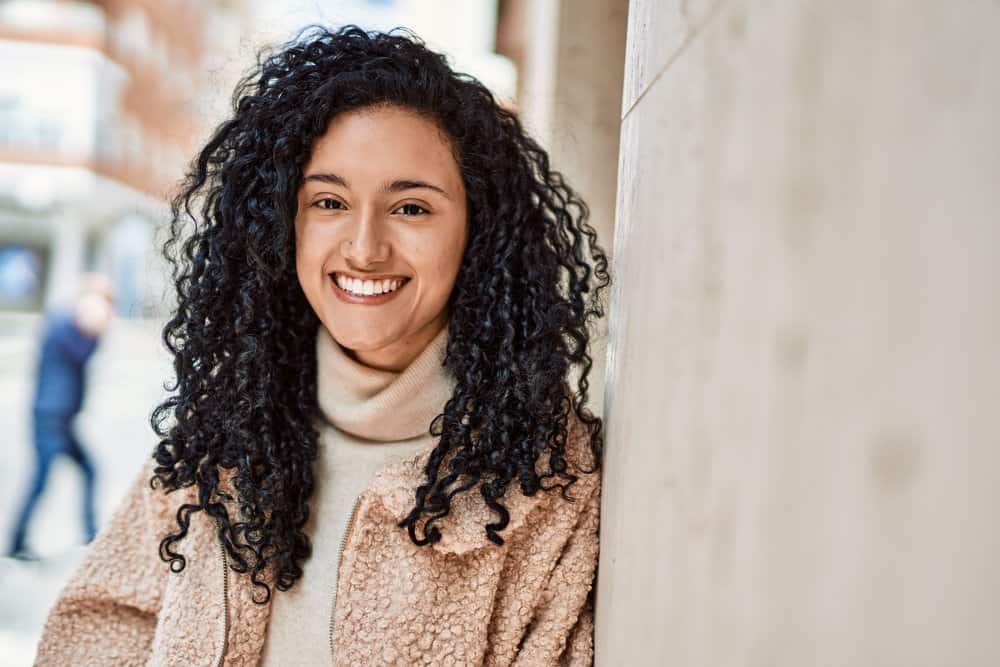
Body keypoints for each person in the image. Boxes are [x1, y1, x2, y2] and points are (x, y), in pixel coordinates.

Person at [36, 24, 610, 666]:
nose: (364, 248)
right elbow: (100, 627)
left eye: (412, 208)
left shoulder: (549, 479)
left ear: (478, 232)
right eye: (330, 201)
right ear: (287, 223)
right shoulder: (222, 438)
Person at [7, 273, 115, 559]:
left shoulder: (65, 322)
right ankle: (17, 542)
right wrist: (95, 330)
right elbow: (81, 353)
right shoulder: (64, 323)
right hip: (51, 416)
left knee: (87, 471)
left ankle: (90, 535)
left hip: (60, 416)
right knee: (41, 480)